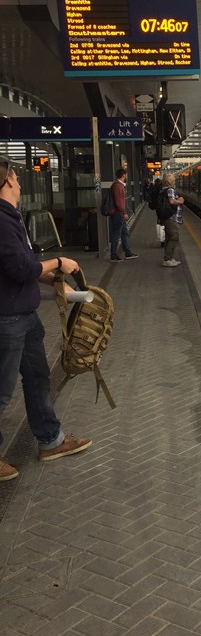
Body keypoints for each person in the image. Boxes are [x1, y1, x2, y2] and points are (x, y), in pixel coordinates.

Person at [0, 159, 91, 481]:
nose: (21, 185)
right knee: (2, 390)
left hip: (23, 315)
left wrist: (51, 279)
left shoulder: (10, 218)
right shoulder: (1, 218)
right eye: (17, 178)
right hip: (7, 319)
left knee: (38, 379)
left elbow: (19, 265)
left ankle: (50, 440)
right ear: (8, 182)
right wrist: (60, 261)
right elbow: (20, 268)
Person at [109, 168, 138, 262]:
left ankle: (128, 253)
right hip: (118, 214)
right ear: (123, 175)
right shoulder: (118, 186)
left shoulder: (119, 186)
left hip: (119, 213)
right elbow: (118, 202)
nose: (127, 176)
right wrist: (124, 212)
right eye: (126, 174)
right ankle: (113, 255)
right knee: (116, 235)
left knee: (124, 233)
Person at [161, 173, 185, 268]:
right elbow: (171, 201)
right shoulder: (170, 189)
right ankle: (168, 259)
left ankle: (169, 258)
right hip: (171, 217)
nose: (175, 181)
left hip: (168, 217)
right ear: (171, 181)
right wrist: (180, 201)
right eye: (174, 180)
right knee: (174, 237)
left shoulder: (164, 189)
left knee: (169, 237)